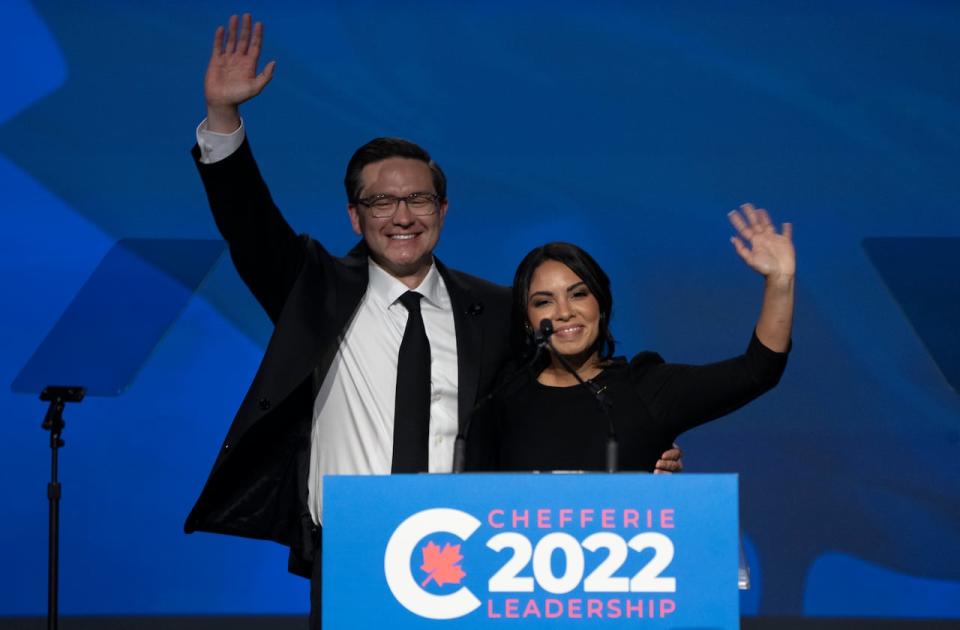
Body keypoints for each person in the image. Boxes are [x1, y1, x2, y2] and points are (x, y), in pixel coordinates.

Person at [183, 13, 683, 627]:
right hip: (351, 546)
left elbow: (554, 400)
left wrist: (640, 456)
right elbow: (249, 224)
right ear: (354, 216)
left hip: (468, 552)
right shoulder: (314, 288)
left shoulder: (498, 309)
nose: (401, 215)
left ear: (442, 209)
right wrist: (224, 120)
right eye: (381, 201)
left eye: (417, 198)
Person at [467, 205, 794, 472]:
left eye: (578, 294)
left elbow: (757, 370)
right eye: (544, 301)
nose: (565, 312)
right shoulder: (501, 396)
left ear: (601, 305)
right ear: (528, 321)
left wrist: (780, 282)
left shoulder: (646, 387)